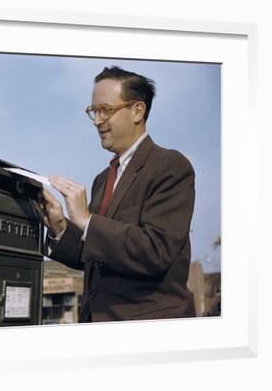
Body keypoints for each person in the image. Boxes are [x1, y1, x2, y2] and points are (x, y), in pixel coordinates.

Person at [42, 66, 196, 322]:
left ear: (137, 111)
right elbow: (95, 255)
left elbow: (156, 251)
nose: (97, 120)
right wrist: (59, 226)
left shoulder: (171, 166)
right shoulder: (102, 180)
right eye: (93, 111)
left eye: (105, 110)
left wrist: (87, 220)